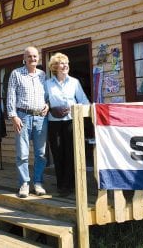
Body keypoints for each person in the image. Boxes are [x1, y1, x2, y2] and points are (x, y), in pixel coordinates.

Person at [7, 46, 49, 198]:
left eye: (35, 56)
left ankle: (38, 182)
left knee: (41, 154)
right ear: (24, 58)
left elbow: (47, 94)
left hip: (41, 118)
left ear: (38, 58)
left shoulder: (43, 75)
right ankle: (24, 183)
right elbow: (10, 96)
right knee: (22, 154)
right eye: (29, 56)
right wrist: (13, 116)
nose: (33, 59)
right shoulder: (16, 74)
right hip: (22, 117)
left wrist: (48, 105)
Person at [46, 52, 90, 196]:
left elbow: (84, 101)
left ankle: (71, 185)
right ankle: (61, 186)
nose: (65, 66)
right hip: (54, 123)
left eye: (67, 63)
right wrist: (51, 109)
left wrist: (75, 108)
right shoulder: (47, 84)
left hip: (72, 121)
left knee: (71, 153)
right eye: (62, 63)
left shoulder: (74, 82)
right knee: (58, 154)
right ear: (54, 67)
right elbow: (43, 103)